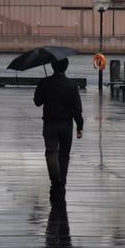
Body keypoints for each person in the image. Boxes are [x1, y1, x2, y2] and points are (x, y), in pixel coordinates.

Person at [33, 57, 83, 199]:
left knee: (51, 152)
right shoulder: (72, 85)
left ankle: (56, 180)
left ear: (52, 66)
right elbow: (77, 109)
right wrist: (80, 126)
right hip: (67, 124)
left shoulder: (45, 83)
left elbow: (37, 102)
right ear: (66, 67)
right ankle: (62, 181)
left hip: (50, 124)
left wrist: (42, 88)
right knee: (64, 155)